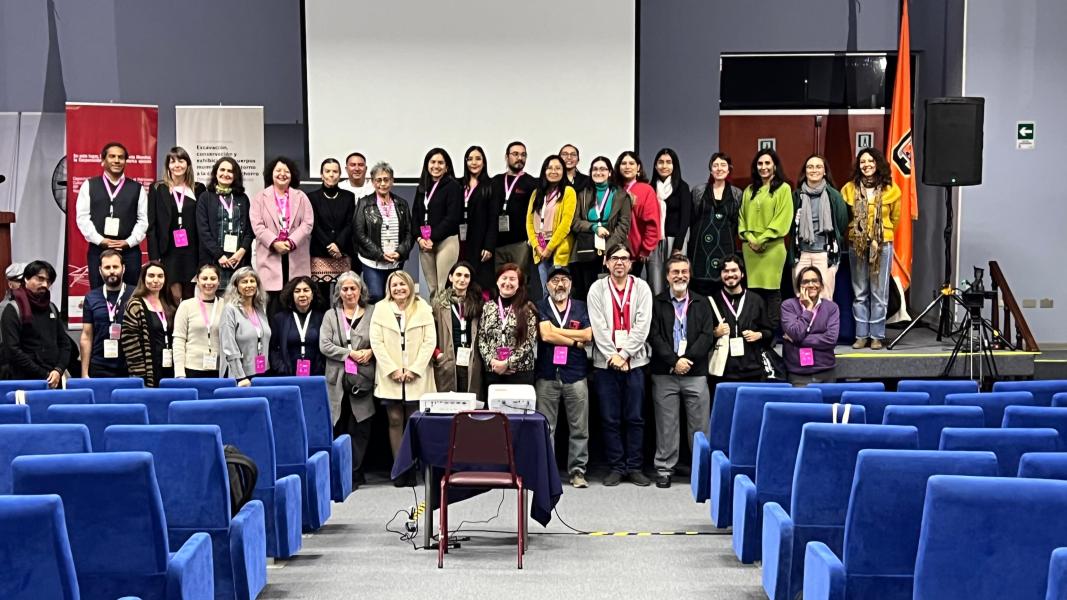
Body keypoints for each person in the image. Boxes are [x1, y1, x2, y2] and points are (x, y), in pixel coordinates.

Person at [587, 243, 654, 487]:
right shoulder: (597, 288)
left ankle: (635, 467)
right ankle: (616, 466)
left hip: (635, 362)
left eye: (624, 258)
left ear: (631, 263)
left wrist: (625, 354)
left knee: (635, 417)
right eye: (614, 258)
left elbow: (642, 325)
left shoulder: (642, 288)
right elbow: (598, 326)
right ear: (606, 262)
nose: (620, 263)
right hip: (605, 364)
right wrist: (613, 357)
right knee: (609, 418)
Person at [648, 255, 714, 488]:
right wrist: (674, 361)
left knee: (700, 426)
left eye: (684, 271)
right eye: (675, 272)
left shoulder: (702, 302)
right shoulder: (656, 303)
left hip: (695, 373)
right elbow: (653, 336)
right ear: (667, 276)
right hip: (665, 372)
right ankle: (665, 468)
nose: (680, 276)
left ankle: (702, 470)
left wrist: (687, 360)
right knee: (667, 424)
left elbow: (707, 335)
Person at [369, 270, 435, 486]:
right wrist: (392, 370)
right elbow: (376, 342)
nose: (398, 288)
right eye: (394, 285)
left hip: (417, 376)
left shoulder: (423, 308)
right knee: (395, 420)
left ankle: (415, 467)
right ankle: (400, 468)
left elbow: (429, 342)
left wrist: (415, 369)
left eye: (402, 284)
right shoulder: (380, 309)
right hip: (391, 376)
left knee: (414, 422)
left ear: (410, 286)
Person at [534, 266, 592, 489]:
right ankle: (547, 471)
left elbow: (588, 334)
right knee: (546, 427)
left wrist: (559, 332)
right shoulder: (539, 306)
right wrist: (575, 341)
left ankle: (578, 471)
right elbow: (545, 335)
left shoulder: (580, 307)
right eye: (555, 280)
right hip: (547, 374)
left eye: (564, 280)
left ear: (570, 284)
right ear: (547, 285)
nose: (560, 284)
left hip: (575, 374)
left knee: (579, 428)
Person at [319, 271, 376, 489]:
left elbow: (381, 339)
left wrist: (371, 351)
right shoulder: (331, 316)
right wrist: (349, 354)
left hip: (363, 378)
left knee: (360, 426)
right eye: (345, 289)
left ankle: (355, 472)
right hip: (337, 380)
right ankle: (339, 473)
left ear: (361, 290)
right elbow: (325, 345)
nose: (349, 292)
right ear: (338, 292)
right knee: (339, 426)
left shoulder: (372, 312)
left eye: (353, 288)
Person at [842, 148, 902, 350]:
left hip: (882, 244)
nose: (866, 165)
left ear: (878, 164)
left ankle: (876, 336)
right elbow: (845, 217)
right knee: (860, 292)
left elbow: (895, 218)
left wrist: (878, 235)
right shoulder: (849, 189)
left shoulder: (890, 189)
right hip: (856, 245)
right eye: (862, 162)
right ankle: (861, 335)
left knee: (879, 292)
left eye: (870, 161)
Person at [75, 142, 148, 287]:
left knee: (130, 295)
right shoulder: (89, 185)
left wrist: (129, 242)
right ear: (103, 161)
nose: (117, 160)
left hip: (129, 251)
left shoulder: (137, 188)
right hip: (99, 250)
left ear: (125, 162)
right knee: (98, 293)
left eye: (121, 157)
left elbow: (143, 220)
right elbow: (82, 218)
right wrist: (101, 240)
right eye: (112, 156)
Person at [250, 156, 314, 316]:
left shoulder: (301, 197)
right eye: (278, 170)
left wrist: (292, 242)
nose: (282, 174)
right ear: (271, 174)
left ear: (292, 175)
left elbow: (308, 223)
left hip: (295, 254)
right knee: (273, 306)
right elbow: (257, 226)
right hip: (271, 255)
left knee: (297, 298)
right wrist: (274, 242)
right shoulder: (260, 198)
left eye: (286, 171)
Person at [739, 149, 793, 335]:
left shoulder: (783, 189)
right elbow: (741, 218)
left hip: (772, 248)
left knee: (771, 291)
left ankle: (769, 334)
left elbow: (783, 219)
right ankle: (754, 333)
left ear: (775, 166)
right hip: (750, 249)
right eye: (760, 164)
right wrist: (750, 238)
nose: (763, 167)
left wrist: (762, 239)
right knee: (753, 292)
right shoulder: (749, 190)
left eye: (767, 163)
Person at [147, 146, 205, 303]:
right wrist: (154, 257)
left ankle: (187, 327)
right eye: (172, 161)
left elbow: (203, 222)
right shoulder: (158, 188)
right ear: (168, 165)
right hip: (168, 250)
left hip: (191, 250)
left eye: (181, 160)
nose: (177, 165)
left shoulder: (198, 189)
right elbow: (151, 225)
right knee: (174, 295)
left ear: (188, 164)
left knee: (189, 295)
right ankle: (173, 327)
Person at [569, 156, 632, 300]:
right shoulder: (583, 194)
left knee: (608, 295)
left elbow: (623, 226)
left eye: (603, 169)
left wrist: (609, 252)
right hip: (585, 250)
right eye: (595, 169)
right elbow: (575, 222)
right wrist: (594, 227)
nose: (599, 172)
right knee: (585, 293)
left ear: (610, 172)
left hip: (612, 248)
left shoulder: (621, 196)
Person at [1, 261, 68, 386]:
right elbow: (12, 351)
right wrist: (44, 374)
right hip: (25, 381)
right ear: (26, 278)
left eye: (48, 281)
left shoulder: (51, 307)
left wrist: (58, 370)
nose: (45, 284)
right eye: (40, 279)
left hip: (54, 378)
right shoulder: (13, 309)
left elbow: (65, 344)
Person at [353, 162, 413, 303]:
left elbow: (409, 232)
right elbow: (359, 233)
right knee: (376, 295)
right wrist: (380, 254)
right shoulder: (364, 203)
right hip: (372, 261)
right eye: (378, 180)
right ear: (373, 182)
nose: (383, 184)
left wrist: (400, 252)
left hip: (395, 260)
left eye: (386, 179)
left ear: (392, 181)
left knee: (394, 296)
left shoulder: (402, 203)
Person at [790, 154, 848, 300]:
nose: (814, 170)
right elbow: (790, 225)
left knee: (824, 297)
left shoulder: (834, 196)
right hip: (801, 253)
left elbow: (841, 224)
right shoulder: (796, 196)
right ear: (805, 171)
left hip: (824, 254)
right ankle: (804, 324)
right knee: (801, 296)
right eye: (810, 167)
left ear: (824, 172)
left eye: (818, 167)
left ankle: (823, 324)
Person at [709, 255, 772, 381]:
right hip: (723, 371)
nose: (730, 274)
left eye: (734, 270)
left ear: (742, 274)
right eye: (725, 271)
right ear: (720, 275)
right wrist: (715, 333)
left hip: (753, 370)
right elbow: (702, 336)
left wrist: (759, 335)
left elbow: (769, 332)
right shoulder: (712, 301)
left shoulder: (756, 300)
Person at [411, 148, 462, 298]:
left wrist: (431, 238)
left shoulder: (453, 187)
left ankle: (447, 321)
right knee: (432, 289)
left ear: (447, 167)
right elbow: (415, 217)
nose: (436, 166)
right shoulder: (422, 188)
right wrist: (419, 238)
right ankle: (436, 321)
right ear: (427, 165)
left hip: (446, 241)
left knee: (443, 287)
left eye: (440, 162)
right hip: (425, 243)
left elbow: (452, 218)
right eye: (433, 162)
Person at [689, 152, 742, 296]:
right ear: (710, 169)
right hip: (700, 249)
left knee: (723, 284)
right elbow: (692, 219)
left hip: (725, 245)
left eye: (723, 165)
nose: (719, 169)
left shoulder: (737, 194)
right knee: (698, 287)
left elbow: (737, 221)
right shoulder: (698, 191)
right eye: (715, 165)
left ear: (729, 169)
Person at [196, 156, 253, 290]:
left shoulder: (243, 198)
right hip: (213, 261)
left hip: (238, 260)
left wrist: (241, 252)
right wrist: (219, 255)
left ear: (235, 175)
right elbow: (203, 231)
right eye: (222, 170)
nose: (225, 174)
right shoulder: (205, 197)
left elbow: (250, 229)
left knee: (238, 301)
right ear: (216, 173)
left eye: (230, 171)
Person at [478, 263, 538, 386]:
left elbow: (530, 341)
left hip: (520, 371)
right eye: (504, 278)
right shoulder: (487, 307)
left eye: (512, 279)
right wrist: (492, 361)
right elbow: (481, 338)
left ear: (519, 284)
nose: (507, 282)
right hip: (493, 371)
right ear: (497, 281)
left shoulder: (527, 308)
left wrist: (507, 363)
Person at [525, 155, 577, 292]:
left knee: (560, 290)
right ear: (544, 171)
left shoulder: (568, 192)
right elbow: (529, 223)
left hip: (558, 247)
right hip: (540, 246)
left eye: (558, 168)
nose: (553, 171)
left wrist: (549, 248)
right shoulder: (537, 193)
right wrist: (537, 246)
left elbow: (566, 224)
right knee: (545, 290)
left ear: (563, 171)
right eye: (549, 168)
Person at [120, 261, 176, 387]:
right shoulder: (135, 305)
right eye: (151, 276)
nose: (155, 280)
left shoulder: (170, 303)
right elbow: (130, 343)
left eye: (160, 276)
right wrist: (140, 375)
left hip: (169, 367)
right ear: (143, 278)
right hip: (147, 372)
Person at [79, 249, 134, 378]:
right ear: (100, 270)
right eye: (107, 267)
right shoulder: (91, 297)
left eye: (115, 266)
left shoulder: (136, 294)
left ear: (123, 268)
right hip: (99, 365)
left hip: (130, 366)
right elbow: (86, 336)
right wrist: (84, 372)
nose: (111, 271)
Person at [431, 262, 484, 395]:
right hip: (448, 359)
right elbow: (430, 334)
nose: (462, 279)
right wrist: (438, 354)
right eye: (458, 275)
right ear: (450, 277)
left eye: (466, 276)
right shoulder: (439, 304)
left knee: (470, 405)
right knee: (449, 405)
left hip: (471, 359)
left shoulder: (478, 303)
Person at [782, 266, 840, 384]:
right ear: (799, 287)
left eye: (815, 281)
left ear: (821, 286)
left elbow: (831, 339)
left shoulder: (832, 308)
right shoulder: (788, 306)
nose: (810, 284)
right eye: (805, 282)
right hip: (798, 372)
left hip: (825, 370)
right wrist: (808, 309)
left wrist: (796, 340)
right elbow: (796, 333)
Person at [308, 158, 356, 300]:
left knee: (343, 296)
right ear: (321, 175)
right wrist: (330, 245)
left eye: (335, 171)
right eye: (327, 171)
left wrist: (338, 245)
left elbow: (350, 223)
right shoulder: (312, 197)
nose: (331, 175)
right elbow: (313, 224)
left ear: (340, 174)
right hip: (320, 253)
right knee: (320, 298)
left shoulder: (348, 196)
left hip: (342, 252)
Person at [218, 267, 272, 386]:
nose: (249, 285)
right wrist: (240, 376)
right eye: (244, 282)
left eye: (252, 281)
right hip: (240, 376)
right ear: (236, 286)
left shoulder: (260, 308)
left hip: (262, 372)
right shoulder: (230, 309)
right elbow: (229, 346)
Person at [649, 148, 691, 295]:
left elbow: (686, 218)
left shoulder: (682, 187)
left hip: (676, 241)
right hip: (654, 242)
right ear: (655, 165)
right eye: (660, 162)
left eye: (668, 162)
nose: (664, 166)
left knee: (676, 280)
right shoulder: (650, 188)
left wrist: (678, 246)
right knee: (656, 283)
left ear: (675, 166)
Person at [492, 141, 537, 273]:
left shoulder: (532, 183)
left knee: (519, 281)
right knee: (498, 283)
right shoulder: (495, 181)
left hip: (520, 243)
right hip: (497, 243)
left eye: (523, 155)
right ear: (506, 157)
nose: (520, 158)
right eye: (515, 154)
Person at [172, 264, 224, 378]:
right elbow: (179, 340)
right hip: (191, 369)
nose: (209, 282)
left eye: (213, 278)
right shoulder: (186, 305)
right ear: (197, 281)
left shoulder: (226, 306)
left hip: (220, 369)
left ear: (219, 281)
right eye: (204, 278)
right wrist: (179, 372)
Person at [614, 151, 661, 278]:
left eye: (631, 163)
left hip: (634, 253)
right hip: (612, 251)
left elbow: (652, 223)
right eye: (623, 163)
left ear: (638, 167)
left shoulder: (646, 190)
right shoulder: (613, 189)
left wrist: (645, 249)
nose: (627, 167)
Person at [458, 145, 498, 292]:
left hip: (480, 240)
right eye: (470, 159)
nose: (474, 163)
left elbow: (494, 219)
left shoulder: (491, 186)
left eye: (478, 159)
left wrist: (489, 245)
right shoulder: (458, 184)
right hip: (460, 239)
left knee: (480, 279)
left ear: (484, 162)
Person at [269, 276, 326, 376]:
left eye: (306, 290)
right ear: (291, 295)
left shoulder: (322, 318)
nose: (302, 294)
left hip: (316, 374)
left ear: (312, 294)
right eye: (297, 291)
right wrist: (280, 368)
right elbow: (273, 348)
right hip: (287, 375)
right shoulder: (280, 319)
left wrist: (321, 367)